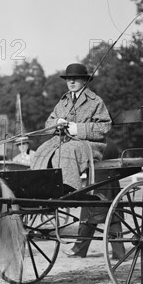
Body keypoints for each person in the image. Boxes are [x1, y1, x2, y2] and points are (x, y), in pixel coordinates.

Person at [31, 63, 112, 191]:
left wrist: (78, 129)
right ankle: (40, 188)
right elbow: (48, 124)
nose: (72, 81)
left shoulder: (95, 101)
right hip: (62, 142)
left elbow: (104, 127)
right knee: (42, 150)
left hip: (89, 145)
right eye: (69, 79)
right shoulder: (63, 102)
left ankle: (70, 188)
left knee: (66, 151)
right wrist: (57, 123)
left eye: (76, 78)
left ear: (85, 80)